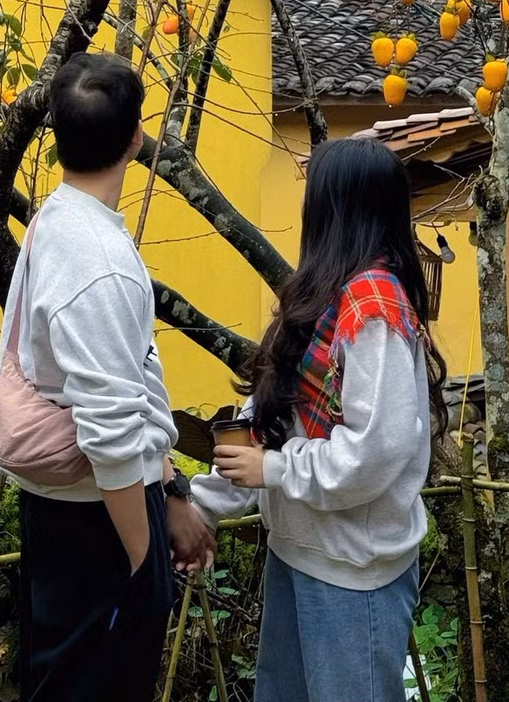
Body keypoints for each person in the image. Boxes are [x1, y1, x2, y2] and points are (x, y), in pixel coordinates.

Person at [190, 136, 448, 702]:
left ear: (334, 208)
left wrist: (276, 471)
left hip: (354, 572)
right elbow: (270, 415)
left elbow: (373, 455)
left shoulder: (373, 310)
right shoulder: (325, 296)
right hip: (299, 550)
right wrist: (202, 505)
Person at [0, 51, 214, 701]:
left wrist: (170, 490)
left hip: (66, 512)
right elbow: (111, 432)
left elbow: (129, 383)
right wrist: (145, 560)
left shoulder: (57, 222)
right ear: (135, 138)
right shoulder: (98, 262)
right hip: (98, 527)